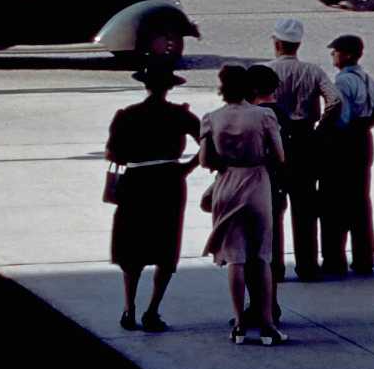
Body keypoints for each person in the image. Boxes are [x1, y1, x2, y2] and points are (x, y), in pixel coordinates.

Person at [106, 64, 203, 334]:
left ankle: (129, 308)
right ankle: (152, 310)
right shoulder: (180, 115)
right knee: (166, 244)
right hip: (169, 181)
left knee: (132, 244)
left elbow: (113, 154)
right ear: (170, 87)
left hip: (136, 181)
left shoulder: (127, 115)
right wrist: (187, 167)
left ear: (145, 86)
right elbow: (208, 142)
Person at [200, 62, 287, 346]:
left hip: (227, 182)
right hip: (257, 181)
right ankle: (267, 325)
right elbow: (279, 155)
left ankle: (238, 324)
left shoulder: (212, 118)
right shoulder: (264, 116)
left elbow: (205, 160)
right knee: (261, 256)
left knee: (235, 258)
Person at [266, 17, 341, 281]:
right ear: (298, 44)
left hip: (275, 141)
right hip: (305, 140)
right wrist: (320, 129)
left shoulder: (265, 71)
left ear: (277, 43)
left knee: (273, 208)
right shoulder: (312, 71)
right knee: (305, 207)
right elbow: (334, 100)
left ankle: (274, 266)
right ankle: (307, 265)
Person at [320, 34, 374, 277]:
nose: (333, 54)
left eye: (336, 51)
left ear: (347, 55)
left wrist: (323, 132)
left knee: (334, 202)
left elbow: (341, 117)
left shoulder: (342, 81)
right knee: (360, 201)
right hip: (363, 142)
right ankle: (363, 257)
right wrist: (364, 125)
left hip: (344, 144)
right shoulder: (368, 79)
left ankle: (334, 259)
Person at [245, 63, 287, 328]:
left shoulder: (254, 116)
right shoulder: (282, 115)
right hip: (276, 186)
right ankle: (270, 303)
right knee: (270, 248)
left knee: (252, 252)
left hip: (254, 185)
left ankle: (261, 305)